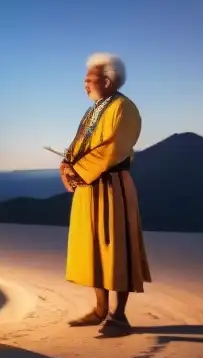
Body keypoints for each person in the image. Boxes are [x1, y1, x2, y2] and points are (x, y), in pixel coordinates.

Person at [61, 52, 151, 337]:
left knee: (117, 248)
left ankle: (119, 315)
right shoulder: (92, 110)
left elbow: (114, 148)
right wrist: (66, 165)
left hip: (113, 187)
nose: (84, 85)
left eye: (90, 79)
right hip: (88, 189)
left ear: (108, 80)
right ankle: (100, 308)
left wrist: (79, 170)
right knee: (93, 248)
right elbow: (77, 144)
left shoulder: (124, 108)